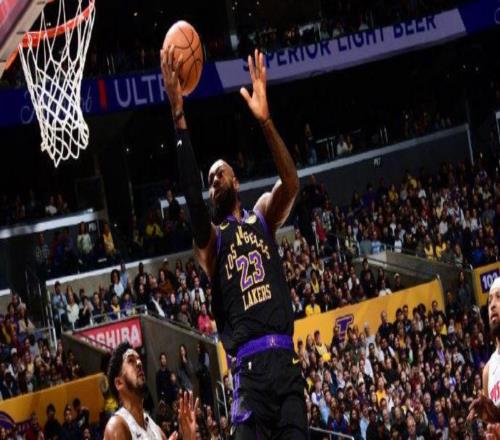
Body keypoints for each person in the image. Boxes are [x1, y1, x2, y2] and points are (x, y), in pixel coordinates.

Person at [161, 47, 306, 438]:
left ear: (236, 181)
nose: (214, 181)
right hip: (250, 374)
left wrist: (265, 121)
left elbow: (291, 183)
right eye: (210, 180)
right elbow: (193, 202)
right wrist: (178, 116)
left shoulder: (262, 216)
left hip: (286, 364)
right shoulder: (212, 242)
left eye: (220, 174)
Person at [104, 341, 198, 440]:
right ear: (119, 383)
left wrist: (189, 436)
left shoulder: (157, 430)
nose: (139, 363)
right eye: (131, 360)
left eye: (139, 359)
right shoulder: (116, 426)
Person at [468, 277, 500, 424]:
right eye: (489, 301)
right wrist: (493, 418)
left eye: (499, 297)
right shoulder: (487, 370)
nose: (492, 305)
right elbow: (494, 427)